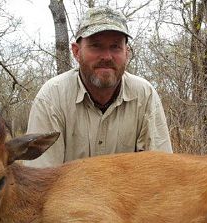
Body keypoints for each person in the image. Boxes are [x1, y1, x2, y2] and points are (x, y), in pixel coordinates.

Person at [25, 6, 172, 168]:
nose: (107, 57)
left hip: (129, 193)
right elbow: (41, 180)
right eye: (96, 46)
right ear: (76, 51)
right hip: (70, 193)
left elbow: (160, 172)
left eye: (115, 46)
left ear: (127, 53)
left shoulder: (145, 95)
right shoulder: (52, 98)